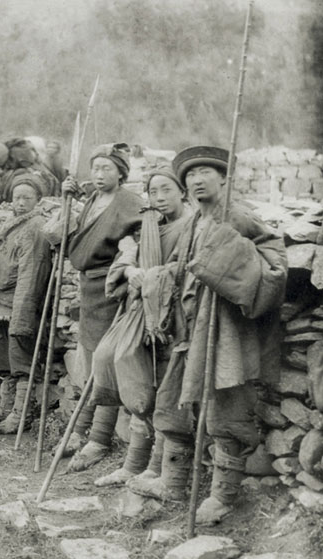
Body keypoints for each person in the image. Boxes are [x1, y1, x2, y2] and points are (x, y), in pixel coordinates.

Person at [127, 146, 286, 525]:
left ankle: (223, 496)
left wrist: (230, 257)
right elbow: (181, 268)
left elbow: (274, 266)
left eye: (206, 173)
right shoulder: (195, 220)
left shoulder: (238, 217)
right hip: (189, 327)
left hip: (225, 331)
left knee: (226, 410)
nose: (197, 181)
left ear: (223, 178)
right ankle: (175, 482)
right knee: (173, 404)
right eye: (191, 176)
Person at [91, 168, 192, 487]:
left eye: (166, 190)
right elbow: (123, 263)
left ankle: (157, 470)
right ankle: (134, 466)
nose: (160, 198)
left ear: (182, 192)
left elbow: (187, 268)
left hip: (175, 321)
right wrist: (132, 270)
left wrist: (150, 277)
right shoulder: (148, 227)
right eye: (153, 192)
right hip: (140, 317)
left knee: (166, 393)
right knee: (137, 385)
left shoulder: (192, 226)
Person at [52, 143, 142, 471]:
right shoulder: (90, 199)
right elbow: (64, 237)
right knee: (89, 362)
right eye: (96, 168)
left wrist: (127, 259)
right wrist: (67, 202)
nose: (100, 174)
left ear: (121, 172)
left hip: (111, 290)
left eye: (107, 168)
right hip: (87, 287)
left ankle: (98, 439)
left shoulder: (131, 204)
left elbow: (137, 241)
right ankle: (77, 431)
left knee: (105, 365)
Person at [0, 174, 53, 434]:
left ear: (38, 200)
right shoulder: (12, 224)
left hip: (19, 303)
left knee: (20, 358)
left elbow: (31, 273)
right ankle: (6, 405)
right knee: (4, 357)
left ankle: (21, 414)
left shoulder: (36, 227)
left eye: (26, 198)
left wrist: (22, 314)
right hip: (2, 301)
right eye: (16, 197)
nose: (20, 203)